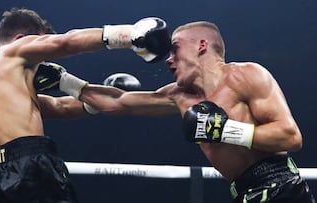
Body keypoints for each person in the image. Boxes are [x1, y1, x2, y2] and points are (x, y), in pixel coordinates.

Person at [37, 21, 316, 202]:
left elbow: (290, 138)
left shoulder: (247, 75)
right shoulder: (179, 96)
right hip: (243, 192)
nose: (168, 59)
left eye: (175, 50)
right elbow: (118, 101)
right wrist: (65, 81)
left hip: (282, 187)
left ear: (202, 46)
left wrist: (225, 130)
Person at [0, 7, 170, 203]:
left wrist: (70, 84)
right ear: (22, 39)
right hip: (28, 166)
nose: (42, 64)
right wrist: (131, 34)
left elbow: (58, 107)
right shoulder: (13, 51)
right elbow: (67, 43)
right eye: (40, 54)